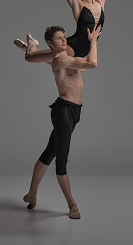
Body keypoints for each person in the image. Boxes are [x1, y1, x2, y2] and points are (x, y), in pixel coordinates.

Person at [22, 23, 102, 219]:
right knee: (61, 163)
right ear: (50, 43)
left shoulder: (62, 59)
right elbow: (92, 64)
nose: (64, 39)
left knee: (49, 152)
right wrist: (93, 42)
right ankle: (72, 205)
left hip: (73, 112)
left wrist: (79, 60)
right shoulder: (61, 59)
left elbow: (79, 69)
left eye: (64, 36)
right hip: (64, 112)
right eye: (59, 38)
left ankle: (31, 195)